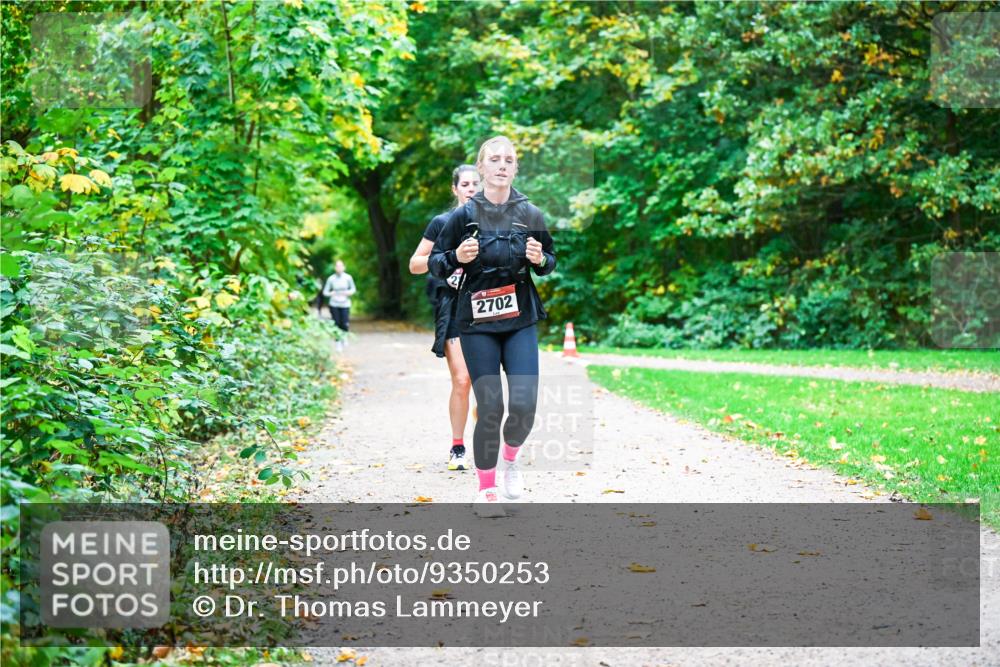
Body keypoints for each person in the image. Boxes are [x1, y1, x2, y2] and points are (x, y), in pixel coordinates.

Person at [429, 136, 556, 516]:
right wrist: (455, 256)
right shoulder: (461, 216)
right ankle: (486, 490)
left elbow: (550, 260)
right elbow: (435, 263)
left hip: (520, 319)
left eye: (509, 160)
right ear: (481, 167)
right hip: (477, 322)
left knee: (524, 405)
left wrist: (539, 259)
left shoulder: (530, 213)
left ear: (515, 169)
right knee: (491, 405)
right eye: (495, 160)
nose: (502, 165)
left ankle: (510, 461)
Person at [409, 165, 480, 471]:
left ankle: (487, 435)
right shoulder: (442, 223)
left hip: (489, 310)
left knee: (486, 384)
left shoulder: (497, 221)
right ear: (455, 189)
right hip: (454, 308)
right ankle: (458, 447)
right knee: (462, 380)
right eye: (465, 184)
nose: (472, 188)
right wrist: (449, 259)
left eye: (477, 183)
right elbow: (415, 264)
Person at [323, 260, 356, 335]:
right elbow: (325, 292)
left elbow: (353, 289)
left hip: (345, 303)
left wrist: (348, 293)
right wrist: (331, 293)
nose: (339, 268)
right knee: (336, 323)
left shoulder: (348, 278)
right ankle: (337, 340)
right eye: (337, 266)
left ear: (344, 267)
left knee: (344, 323)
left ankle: (344, 337)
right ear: (335, 268)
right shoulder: (331, 279)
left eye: (341, 266)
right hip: (334, 303)